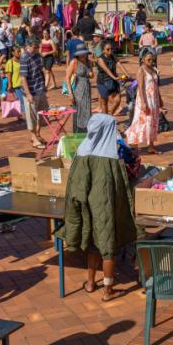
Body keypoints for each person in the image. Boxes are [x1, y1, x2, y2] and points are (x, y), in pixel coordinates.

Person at [64, 113, 136, 302]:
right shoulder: (110, 155)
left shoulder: (82, 150)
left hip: (86, 205)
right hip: (104, 206)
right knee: (107, 246)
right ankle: (108, 289)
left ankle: (90, 282)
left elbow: (75, 183)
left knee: (94, 245)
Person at [125, 48, 163, 154]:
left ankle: (151, 146)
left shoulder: (153, 69)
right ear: (142, 60)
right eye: (149, 60)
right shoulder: (141, 70)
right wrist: (143, 102)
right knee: (140, 122)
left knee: (153, 122)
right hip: (145, 99)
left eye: (153, 60)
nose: (151, 62)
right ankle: (133, 144)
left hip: (153, 99)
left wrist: (160, 99)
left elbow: (156, 85)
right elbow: (140, 88)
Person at [19, 41, 50, 148]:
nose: (37, 48)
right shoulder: (24, 58)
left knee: (42, 114)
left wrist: (46, 83)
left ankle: (37, 134)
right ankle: (34, 138)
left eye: (38, 46)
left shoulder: (38, 56)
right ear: (29, 46)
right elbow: (23, 78)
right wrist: (28, 94)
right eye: (35, 47)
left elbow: (43, 70)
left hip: (40, 89)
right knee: (31, 116)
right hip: (31, 91)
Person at [67, 41, 93, 134]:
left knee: (87, 110)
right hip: (78, 89)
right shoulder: (74, 62)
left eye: (84, 54)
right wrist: (70, 93)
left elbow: (91, 75)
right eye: (82, 54)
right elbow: (67, 78)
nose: (83, 55)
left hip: (87, 88)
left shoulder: (88, 62)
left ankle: (86, 131)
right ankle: (78, 132)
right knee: (79, 111)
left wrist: (90, 69)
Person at [95, 40, 125, 115]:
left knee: (118, 100)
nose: (110, 51)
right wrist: (114, 77)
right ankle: (106, 118)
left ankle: (110, 114)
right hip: (103, 82)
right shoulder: (100, 59)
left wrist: (127, 74)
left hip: (113, 81)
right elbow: (106, 69)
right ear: (103, 50)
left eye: (111, 49)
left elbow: (119, 64)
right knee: (104, 102)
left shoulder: (113, 56)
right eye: (108, 49)